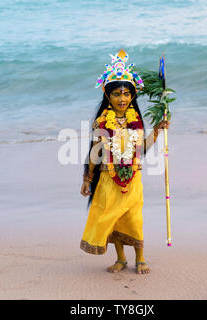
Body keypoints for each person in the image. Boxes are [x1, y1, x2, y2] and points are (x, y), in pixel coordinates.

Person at [79, 50, 170, 275]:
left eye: (127, 93)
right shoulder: (102, 121)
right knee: (114, 218)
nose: (123, 98)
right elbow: (95, 152)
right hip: (108, 178)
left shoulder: (136, 122)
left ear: (132, 96)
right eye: (118, 94)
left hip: (132, 177)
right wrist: (87, 178)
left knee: (133, 217)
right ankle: (121, 259)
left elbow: (141, 150)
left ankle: (140, 258)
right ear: (108, 97)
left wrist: (157, 132)